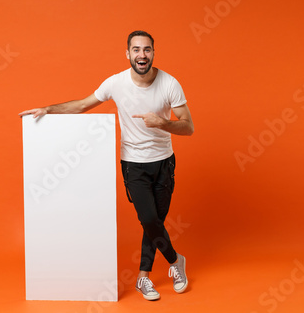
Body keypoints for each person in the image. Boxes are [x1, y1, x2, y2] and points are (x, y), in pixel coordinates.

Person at [19, 30, 194, 301]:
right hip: (133, 164)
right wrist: (48, 109)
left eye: (146, 50)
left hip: (164, 163)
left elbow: (188, 127)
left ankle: (143, 279)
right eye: (136, 50)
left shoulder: (170, 83)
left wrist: (164, 123)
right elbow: (82, 105)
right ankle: (175, 261)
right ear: (128, 54)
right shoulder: (116, 83)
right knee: (148, 219)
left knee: (154, 223)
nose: (141, 55)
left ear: (153, 53)